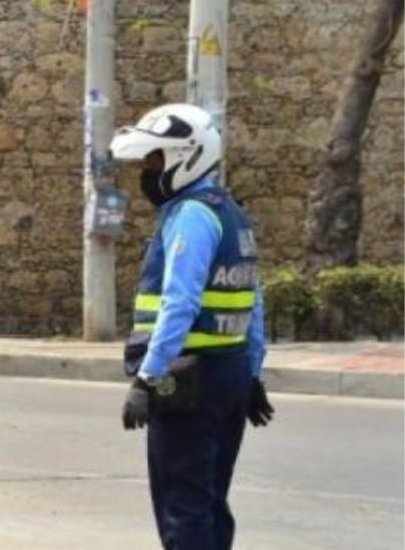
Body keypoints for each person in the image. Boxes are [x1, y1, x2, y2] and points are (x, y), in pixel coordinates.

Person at [110, 103, 273, 549]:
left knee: (183, 508)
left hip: (188, 381)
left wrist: (148, 377)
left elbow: (179, 304)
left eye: (154, 160)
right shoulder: (231, 212)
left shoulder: (192, 215)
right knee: (210, 502)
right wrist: (253, 373)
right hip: (230, 374)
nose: (146, 171)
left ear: (187, 157)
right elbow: (254, 301)